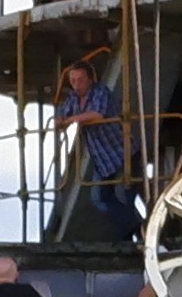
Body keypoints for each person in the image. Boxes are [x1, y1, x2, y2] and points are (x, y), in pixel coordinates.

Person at [50, 48, 137, 250]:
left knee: (128, 192)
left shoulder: (100, 92)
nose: (76, 84)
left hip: (122, 150)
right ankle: (134, 227)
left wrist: (71, 120)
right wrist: (59, 119)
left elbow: (97, 114)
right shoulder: (73, 98)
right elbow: (63, 113)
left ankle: (135, 231)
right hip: (102, 156)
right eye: (73, 80)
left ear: (90, 79)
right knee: (101, 198)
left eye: (80, 80)